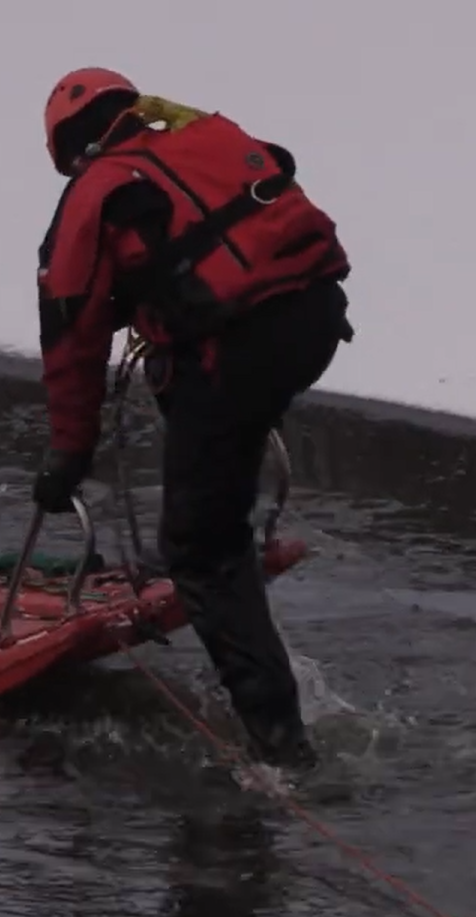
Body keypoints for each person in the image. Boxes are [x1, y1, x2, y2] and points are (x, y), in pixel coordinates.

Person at [31, 68, 355, 769]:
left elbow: (71, 338)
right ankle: (214, 530)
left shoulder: (92, 196)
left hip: (239, 349)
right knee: (206, 441)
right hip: (314, 321)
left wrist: (68, 456)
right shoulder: (199, 138)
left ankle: (279, 747)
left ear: (67, 148)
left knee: (200, 547)